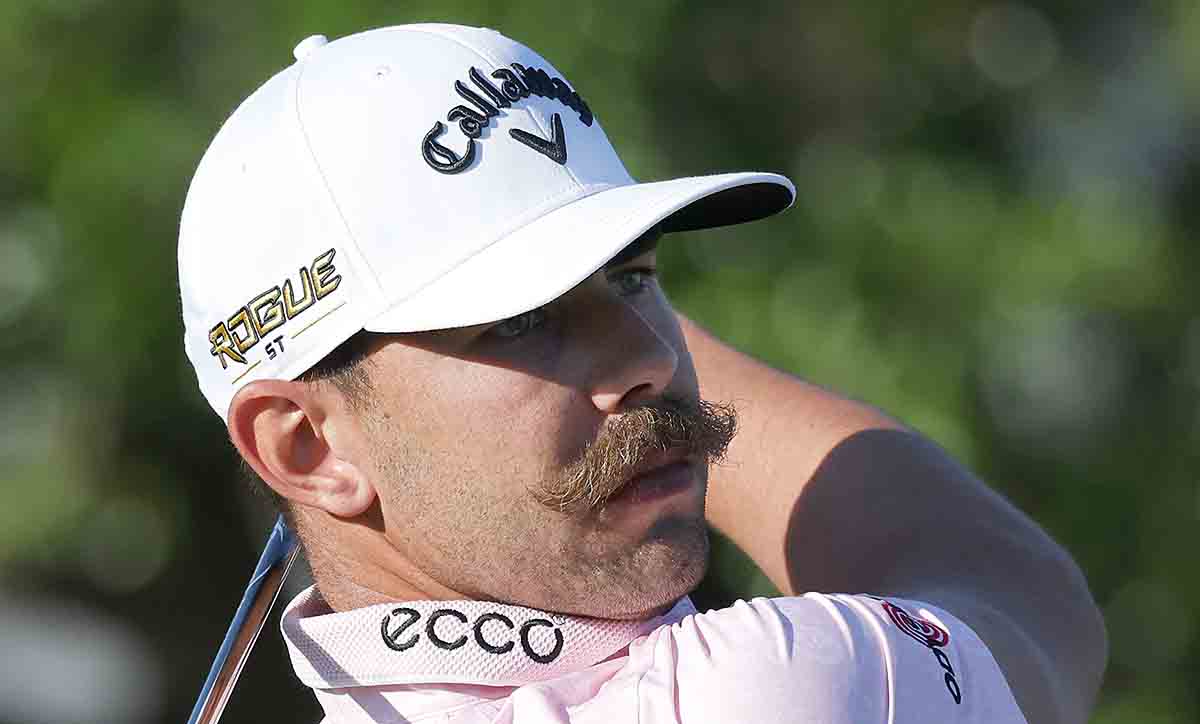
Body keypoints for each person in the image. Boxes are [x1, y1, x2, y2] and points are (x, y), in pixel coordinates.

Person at [177, 23, 1106, 724]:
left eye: (634, 276)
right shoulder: (764, 688)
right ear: (305, 446)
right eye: (521, 319)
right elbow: (1018, 593)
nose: (653, 356)